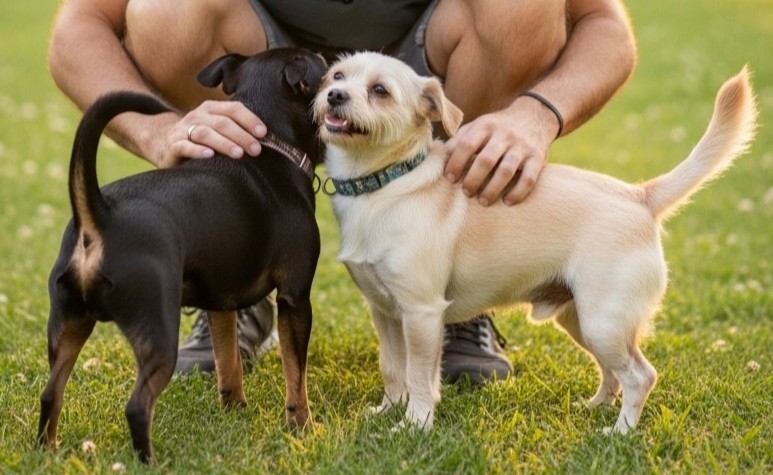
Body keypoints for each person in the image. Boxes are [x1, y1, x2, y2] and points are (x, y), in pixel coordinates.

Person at [47, 0, 636, 383]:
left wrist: (538, 113)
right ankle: (237, 275)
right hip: (258, 69)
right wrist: (155, 128)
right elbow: (80, 24)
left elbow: (603, 24)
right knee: (165, 10)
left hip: (431, 68)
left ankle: (457, 282)